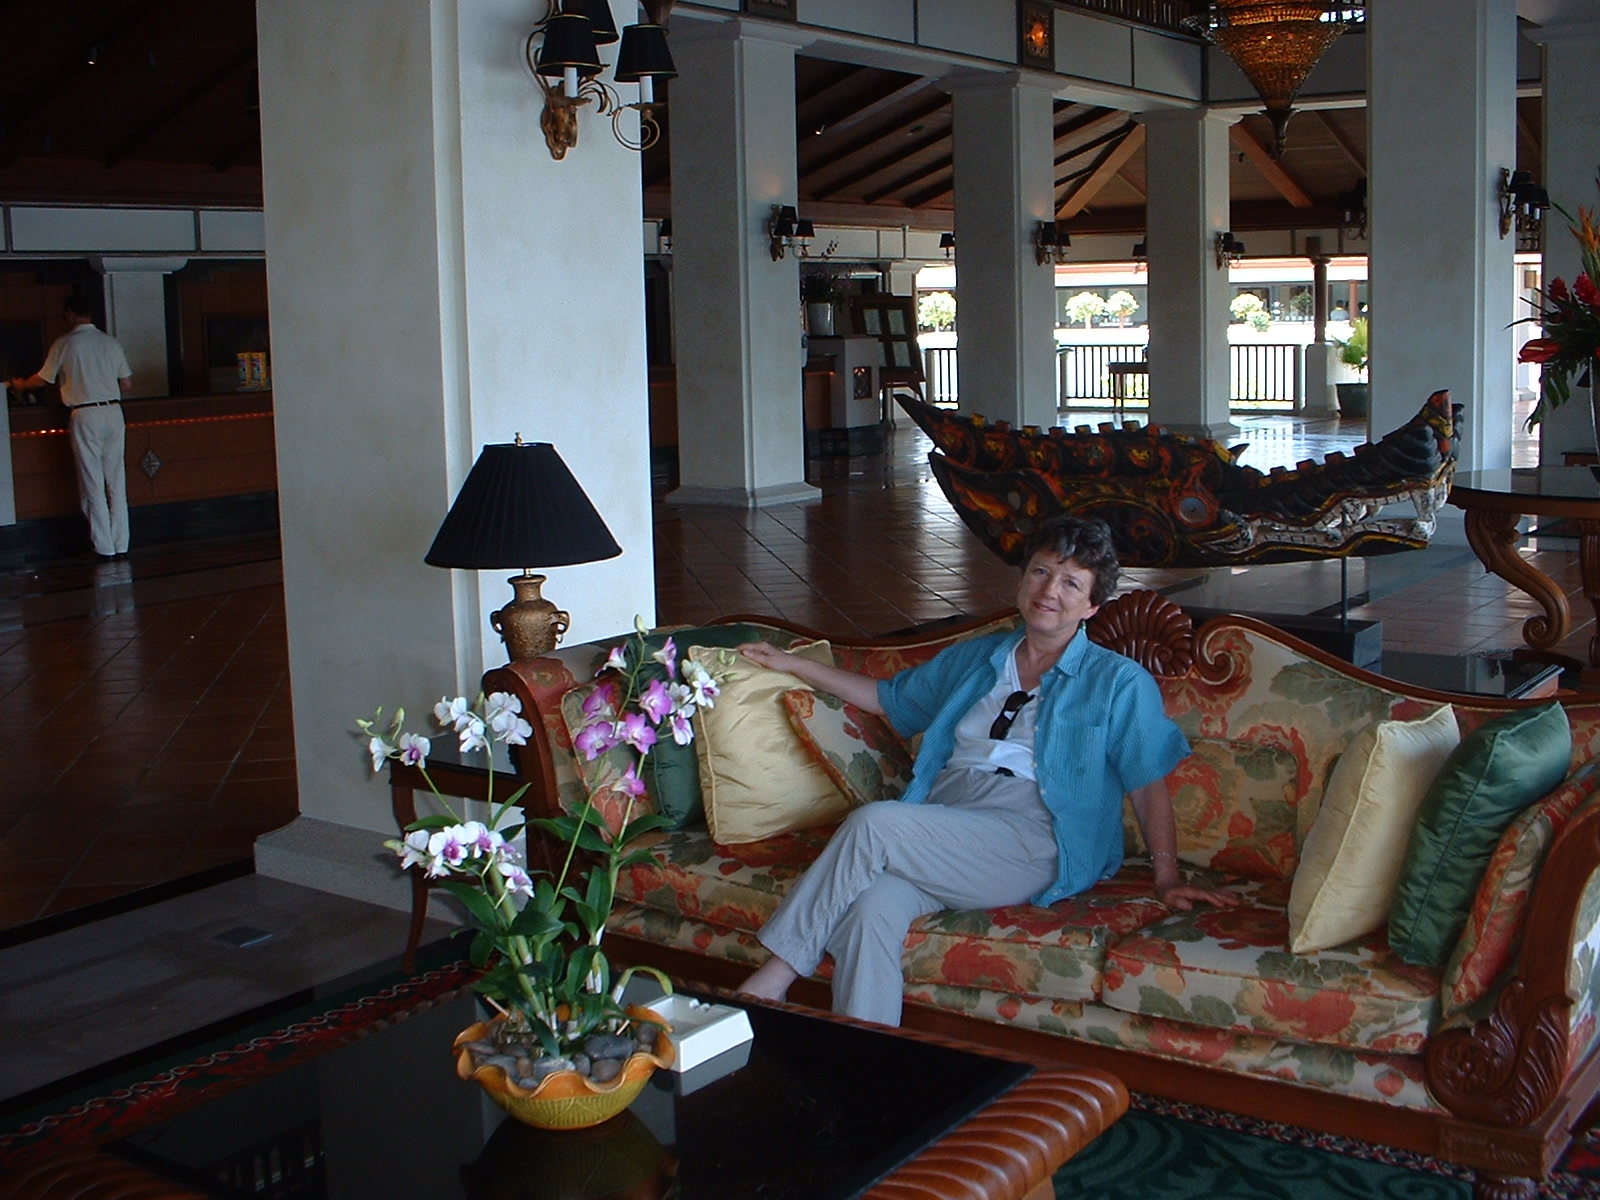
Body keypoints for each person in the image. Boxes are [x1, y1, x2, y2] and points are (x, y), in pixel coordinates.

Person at [737, 515, 1239, 1027]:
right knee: (871, 910)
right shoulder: (978, 658)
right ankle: (871, 1069)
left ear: (1092, 605)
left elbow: (1147, 785)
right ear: (1023, 580)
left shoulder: (1117, 682)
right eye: (1041, 573)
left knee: (874, 824)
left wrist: (1167, 875)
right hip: (946, 824)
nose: (1050, 590)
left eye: (1071, 583)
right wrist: (794, 665)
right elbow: (887, 699)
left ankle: (772, 979)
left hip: (1031, 836)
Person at [10, 295, 133, 558]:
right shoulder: (110, 343)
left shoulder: (64, 344)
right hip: (113, 412)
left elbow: (43, 379)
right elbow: (127, 384)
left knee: (92, 482)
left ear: (69, 314)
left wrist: (20, 385)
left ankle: (104, 547)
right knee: (116, 481)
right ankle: (122, 542)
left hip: (84, 414)